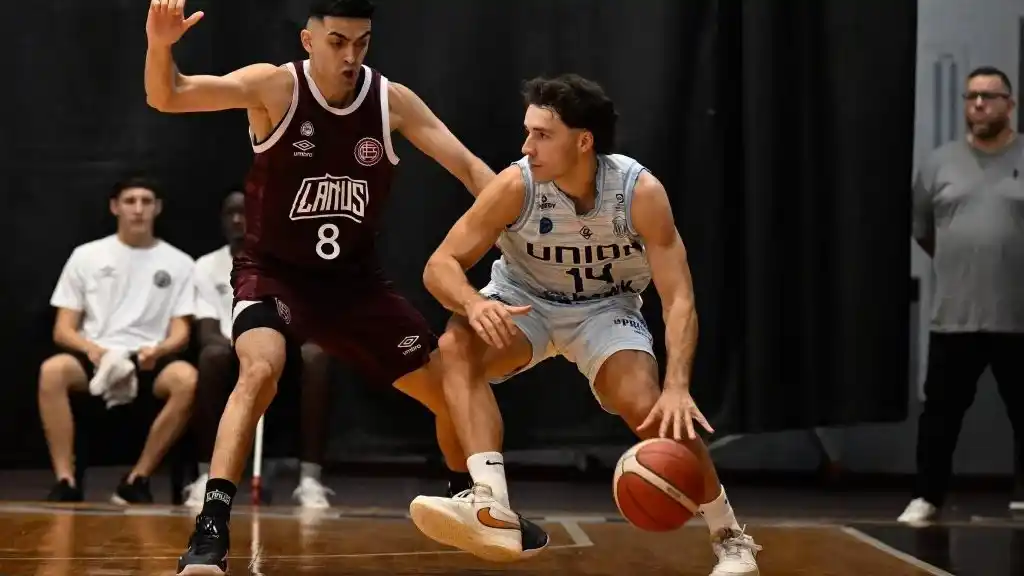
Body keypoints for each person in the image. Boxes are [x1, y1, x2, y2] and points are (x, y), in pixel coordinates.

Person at [144, 0, 497, 572]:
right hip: (275, 275)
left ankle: (473, 505)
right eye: (338, 41)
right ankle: (211, 527)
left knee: (453, 392)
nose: (351, 56)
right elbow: (170, 95)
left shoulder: (391, 100)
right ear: (309, 42)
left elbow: (472, 169)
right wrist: (161, 48)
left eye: (361, 43)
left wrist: (523, 221)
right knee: (260, 371)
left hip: (355, 285)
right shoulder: (274, 87)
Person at [408, 74, 762, 575]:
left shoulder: (639, 192)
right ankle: (491, 505)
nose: (526, 145)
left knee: (652, 408)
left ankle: (732, 539)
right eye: (527, 132)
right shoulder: (516, 185)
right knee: (454, 345)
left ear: (583, 140)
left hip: (605, 309)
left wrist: (678, 385)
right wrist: (472, 302)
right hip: (522, 301)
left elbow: (678, 296)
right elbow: (439, 264)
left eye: (541, 134)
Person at [900, 65, 1024, 524]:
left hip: (1018, 316)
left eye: (989, 96)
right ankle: (927, 497)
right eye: (971, 96)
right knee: (940, 416)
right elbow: (924, 231)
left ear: (1009, 104)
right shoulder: (939, 163)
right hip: (955, 315)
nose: (978, 105)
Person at [39, 176, 198, 505]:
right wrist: (91, 349)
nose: (138, 209)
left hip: (148, 356)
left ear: (157, 208)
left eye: (145, 201)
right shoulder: (86, 256)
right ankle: (65, 480)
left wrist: (161, 349)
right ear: (115, 207)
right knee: (52, 371)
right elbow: (63, 328)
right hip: (96, 355)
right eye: (130, 201)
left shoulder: (180, 263)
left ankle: (137, 479)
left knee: (188, 380)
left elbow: (181, 330)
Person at [187, 190, 334, 509]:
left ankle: (310, 479)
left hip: (283, 346)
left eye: (247, 212)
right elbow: (206, 329)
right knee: (210, 357)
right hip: (230, 348)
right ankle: (205, 476)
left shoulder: (289, 261)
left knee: (317, 355)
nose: (239, 220)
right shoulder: (206, 266)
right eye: (232, 213)